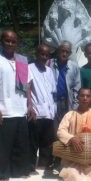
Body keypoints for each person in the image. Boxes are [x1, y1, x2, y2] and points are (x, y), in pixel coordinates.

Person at [0, 30, 35, 181]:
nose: (10, 44)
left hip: (20, 110)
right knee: (4, 146)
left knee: (20, 144)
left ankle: (19, 171)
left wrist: (30, 105)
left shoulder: (22, 61)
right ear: (2, 41)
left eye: (13, 41)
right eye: (7, 40)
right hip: (5, 110)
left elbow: (28, 85)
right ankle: (3, 174)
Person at [57, 88, 91, 181]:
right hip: (73, 158)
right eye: (82, 96)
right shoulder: (70, 114)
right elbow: (60, 131)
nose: (85, 98)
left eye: (88, 96)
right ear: (77, 98)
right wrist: (71, 138)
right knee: (72, 174)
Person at [28, 44, 56, 173]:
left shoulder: (49, 70)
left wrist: (54, 108)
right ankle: (30, 165)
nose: (44, 57)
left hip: (49, 111)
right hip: (36, 111)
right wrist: (30, 106)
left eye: (46, 55)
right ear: (36, 54)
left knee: (47, 140)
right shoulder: (30, 68)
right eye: (42, 54)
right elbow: (28, 88)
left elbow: (52, 91)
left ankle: (43, 163)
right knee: (33, 140)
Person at [48, 40, 81, 124]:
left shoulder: (74, 67)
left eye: (67, 52)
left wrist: (75, 105)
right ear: (58, 51)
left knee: (66, 125)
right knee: (53, 126)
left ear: (70, 54)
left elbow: (77, 87)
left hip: (66, 101)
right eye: (62, 51)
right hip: (52, 100)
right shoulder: (49, 64)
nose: (64, 54)